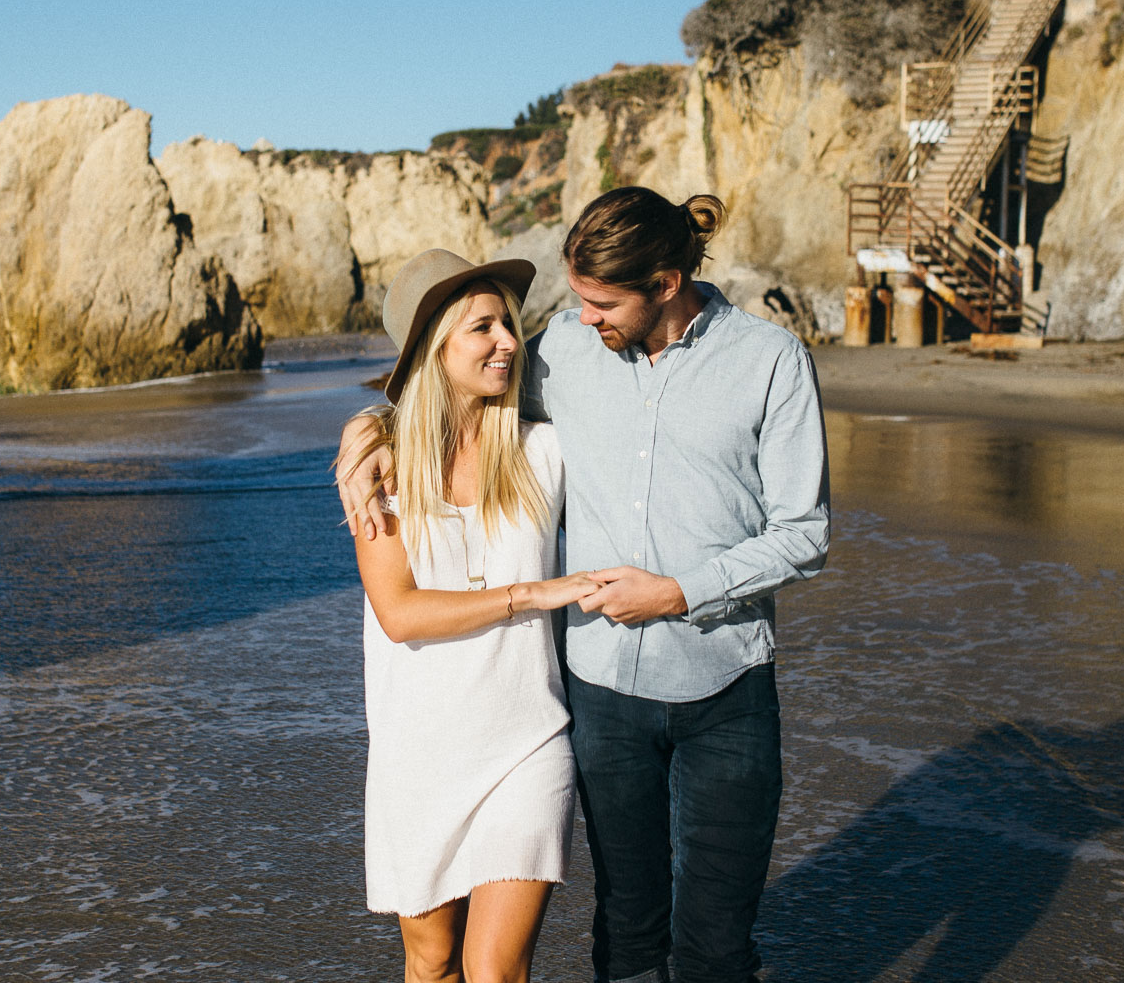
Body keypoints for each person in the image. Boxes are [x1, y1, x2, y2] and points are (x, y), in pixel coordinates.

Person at [341, 188, 831, 983]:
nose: (578, 319)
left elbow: (805, 533)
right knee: (627, 934)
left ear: (665, 284)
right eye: (573, 301)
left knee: (715, 946)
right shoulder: (562, 354)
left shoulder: (769, 361)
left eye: (600, 303)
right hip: (602, 694)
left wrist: (677, 592)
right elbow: (441, 390)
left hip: (727, 687)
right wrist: (364, 432)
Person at [338, 247, 600, 983]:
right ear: (433, 348)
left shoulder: (543, 452)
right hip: (418, 753)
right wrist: (528, 595)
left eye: (509, 324)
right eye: (482, 327)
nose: (509, 342)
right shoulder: (377, 469)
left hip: (527, 741)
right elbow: (401, 613)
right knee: (431, 964)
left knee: (495, 970)